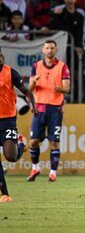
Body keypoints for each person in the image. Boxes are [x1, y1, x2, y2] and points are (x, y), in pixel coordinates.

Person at [27, 40, 71, 183]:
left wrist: (60, 89)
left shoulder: (62, 67)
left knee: (54, 142)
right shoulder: (36, 66)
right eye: (47, 48)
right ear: (43, 50)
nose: (49, 50)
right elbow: (29, 89)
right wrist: (34, 81)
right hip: (39, 108)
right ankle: (35, 167)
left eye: (52, 48)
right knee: (33, 141)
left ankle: (53, 173)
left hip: (55, 108)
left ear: (56, 49)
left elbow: (67, 88)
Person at [0, 48, 38, 202]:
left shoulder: (10, 72)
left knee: (11, 157)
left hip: (7, 119)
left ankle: (21, 143)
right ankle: (5, 194)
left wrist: (33, 105)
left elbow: (26, 91)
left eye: (0, 55)